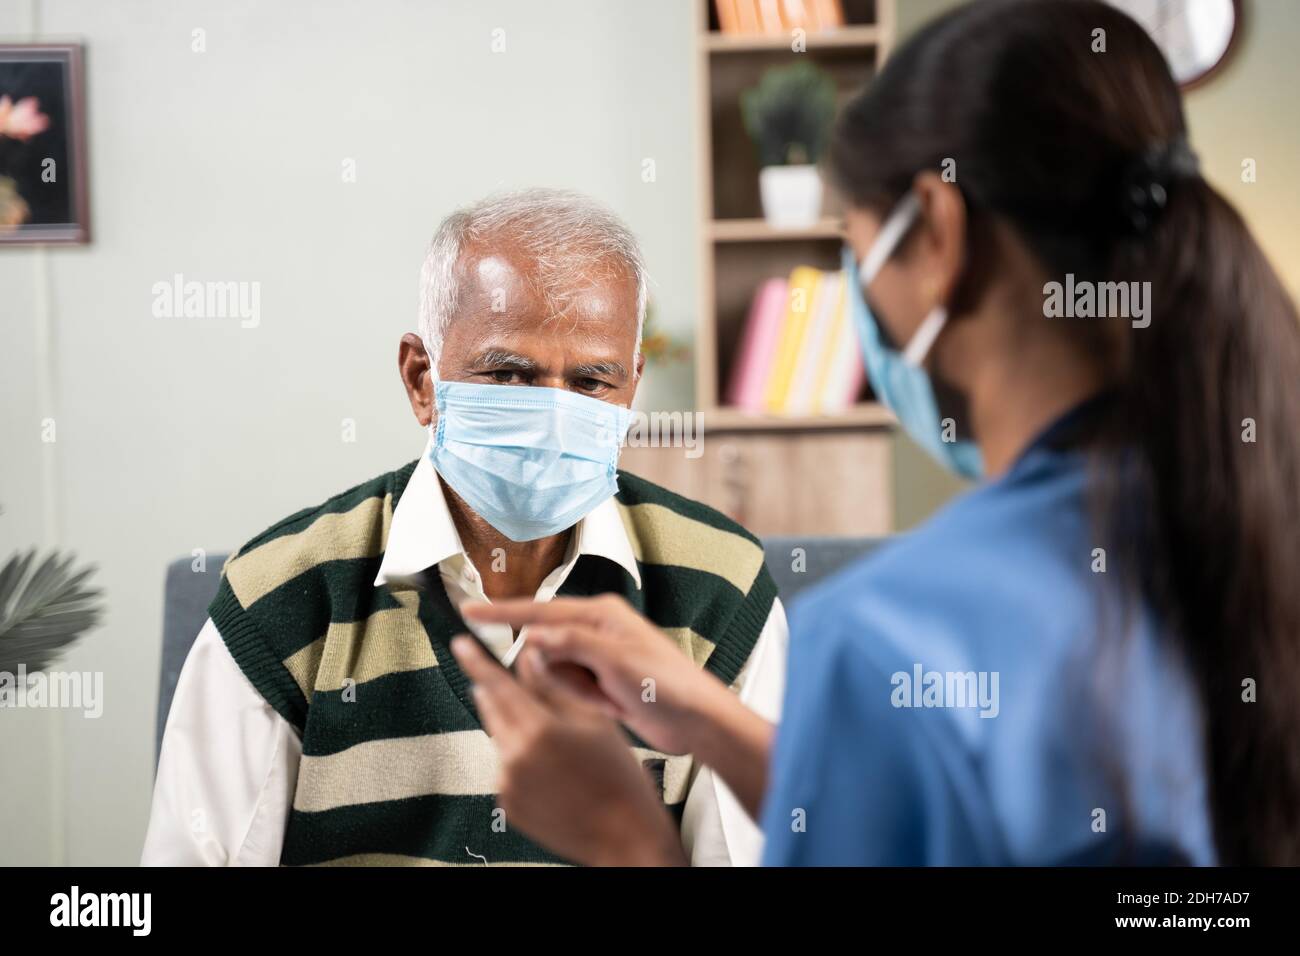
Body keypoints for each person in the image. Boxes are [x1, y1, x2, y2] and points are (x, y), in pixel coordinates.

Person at [449, 0, 1300, 866]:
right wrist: (717, 724)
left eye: (851, 243)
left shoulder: (891, 637)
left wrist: (625, 839)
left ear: (934, 232)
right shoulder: (1244, 523)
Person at [142, 188, 789, 866]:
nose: (553, 414)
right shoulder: (282, 598)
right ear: (422, 379)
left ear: (633, 386)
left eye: (594, 382)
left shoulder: (720, 591)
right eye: (509, 374)